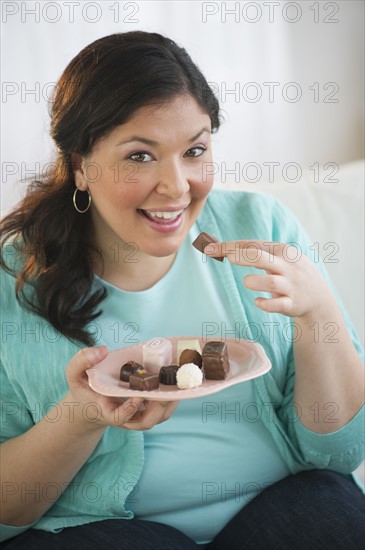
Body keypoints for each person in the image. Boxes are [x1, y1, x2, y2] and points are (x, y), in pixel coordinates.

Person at [0, 31, 364, 550]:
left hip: (278, 510)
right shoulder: (12, 275)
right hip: (106, 534)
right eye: (141, 157)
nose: (176, 186)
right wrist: (82, 416)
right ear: (81, 165)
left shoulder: (261, 226)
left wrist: (317, 314)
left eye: (195, 149)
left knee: (332, 511)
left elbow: (340, 455)